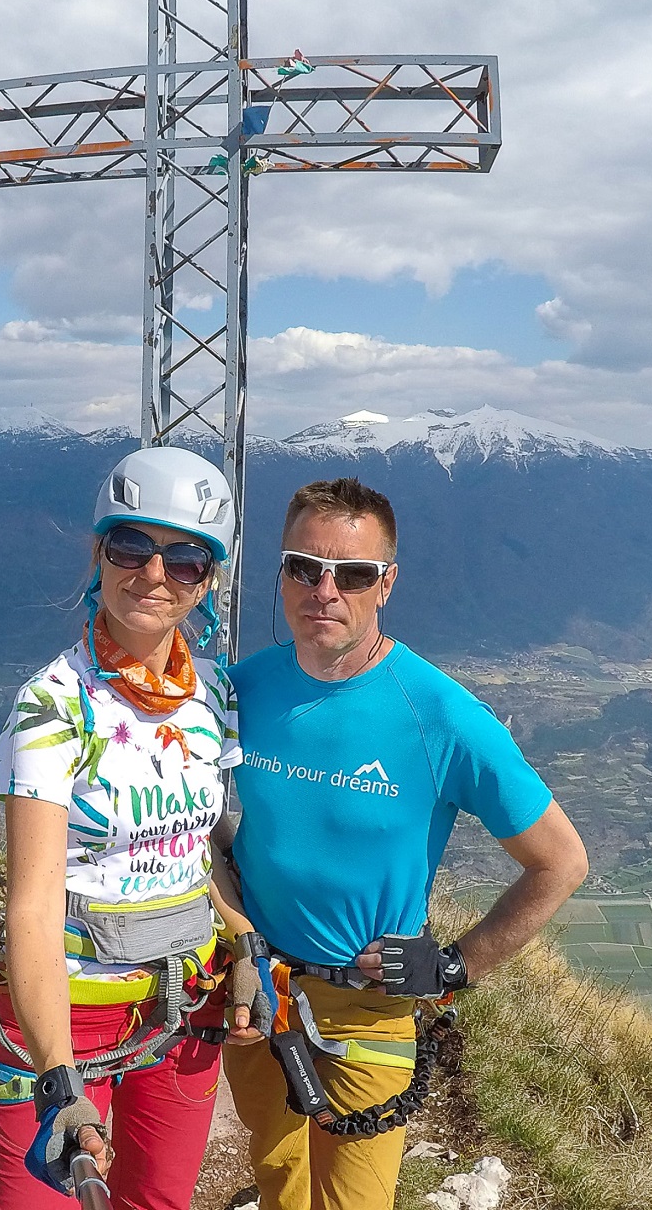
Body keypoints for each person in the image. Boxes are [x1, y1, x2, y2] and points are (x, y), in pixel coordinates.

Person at [212, 477, 588, 1210]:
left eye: (352, 574)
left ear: (386, 583)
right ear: (281, 573)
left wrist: (453, 966)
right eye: (303, 567)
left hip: (370, 1006)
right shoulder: (240, 690)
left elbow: (561, 861)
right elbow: (199, 826)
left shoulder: (442, 715)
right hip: (258, 988)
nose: (325, 590)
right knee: (277, 1176)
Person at [0, 445, 243, 1210]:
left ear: (209, 579)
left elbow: (198, 853)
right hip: (69, 1015)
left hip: (185, 1003)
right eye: (132, 546)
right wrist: (56, 1075)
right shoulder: (54, 707)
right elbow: (29, 905)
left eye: (186, 558)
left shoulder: (215, 694)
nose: (155, 574)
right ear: (100, 552)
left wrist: (243, 938)